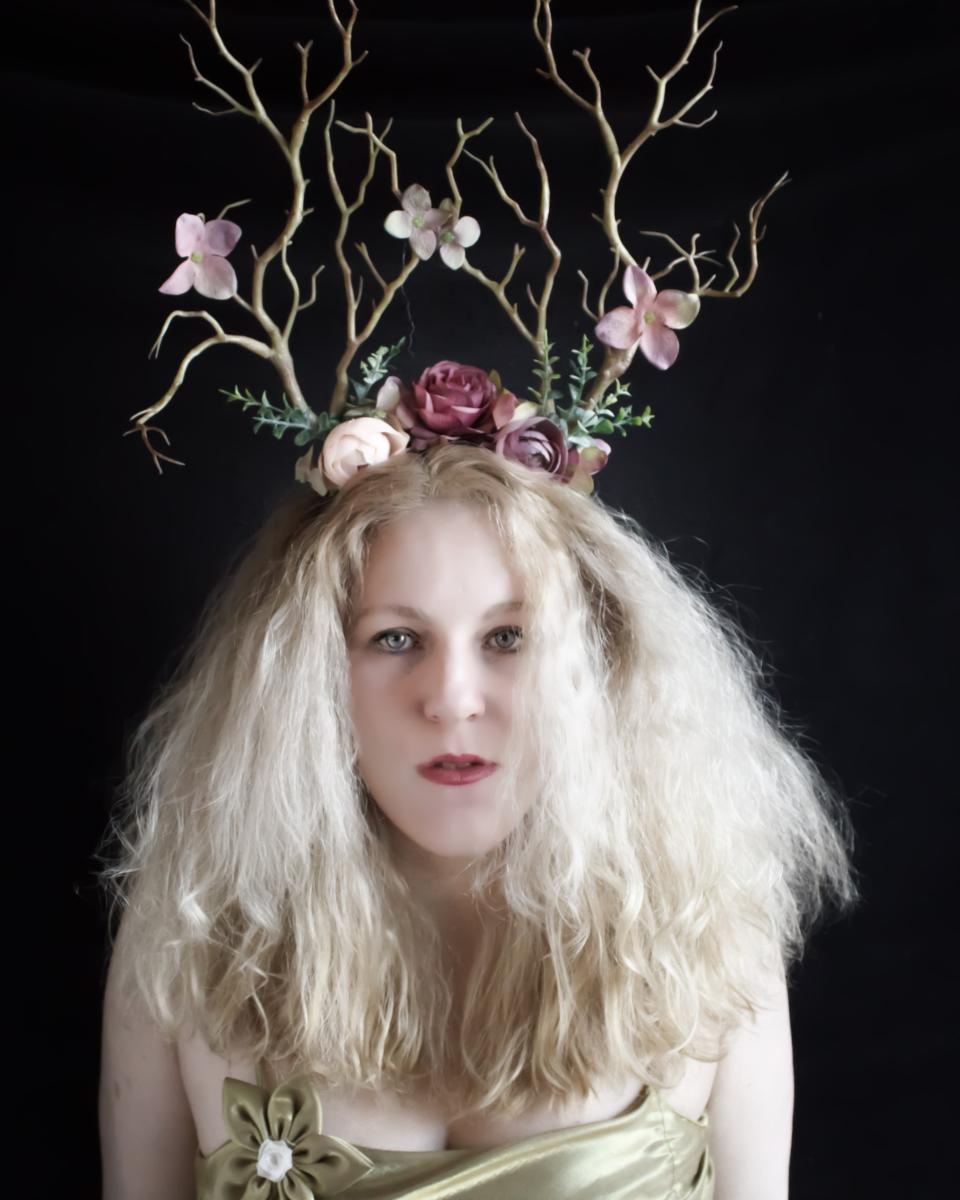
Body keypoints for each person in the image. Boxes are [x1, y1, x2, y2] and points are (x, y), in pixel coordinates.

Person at [97, 439, 853, 1199]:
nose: (453, 699)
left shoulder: (712, 931)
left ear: (600, 659)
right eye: (396, 639)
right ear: (307, 674)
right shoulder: (187, 932)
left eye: (508, 637)